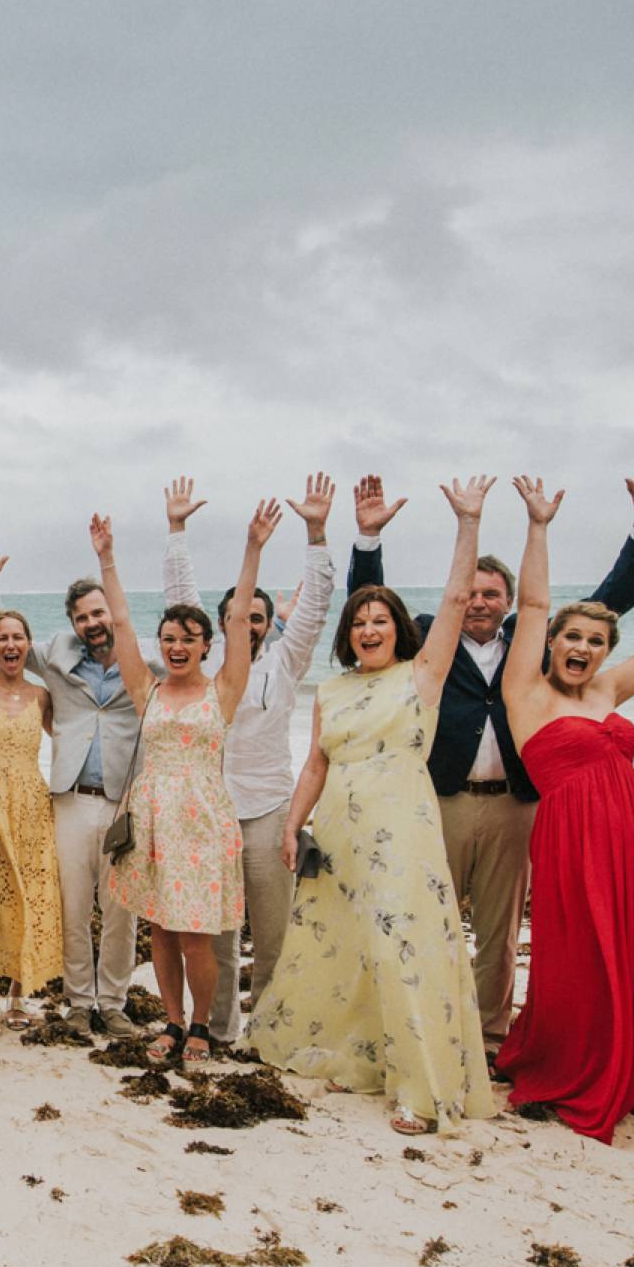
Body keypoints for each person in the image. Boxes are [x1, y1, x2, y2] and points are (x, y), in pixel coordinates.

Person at [346, 462, 634, 1043]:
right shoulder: (428, 635)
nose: (478, 602)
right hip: (440, 798)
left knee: (498, 933)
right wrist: (368, 540)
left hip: (517, 804)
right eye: (469, 592)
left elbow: (606, 607)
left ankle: (490, 1035)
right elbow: (366, 608)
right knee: (427, 918)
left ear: (506, 600)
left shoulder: (539, 646)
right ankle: (424, 1029)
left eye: (490, 594)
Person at [257, 477, 502, 1136]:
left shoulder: (422, 676)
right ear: (348, 634)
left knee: (405, 950)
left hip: (404, 834)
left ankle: (421, 1091)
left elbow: (455, 599)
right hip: (340, 832)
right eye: (359, 622)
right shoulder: (331, 691)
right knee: (353, 948)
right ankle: (366, 1061)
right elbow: (316, 762)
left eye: (381, 620)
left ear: (400, 629)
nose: (369, 629)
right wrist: (292, 824)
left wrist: (468, 523)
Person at [490, 478, 634, 1143]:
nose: (582, 649)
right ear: (552, 643)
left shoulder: (610, 688)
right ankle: (567, 1070)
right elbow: (531, 603)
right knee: (579, 959)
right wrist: (539, 525)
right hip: (570, 841)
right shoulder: (525, 691)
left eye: (595, 641)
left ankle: (620, 1070)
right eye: (571, 638)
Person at [96, 500, 277, 1063]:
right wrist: (106, 559)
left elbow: (242, 613)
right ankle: (171, 1022)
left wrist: (254, 549)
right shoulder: (146, 690)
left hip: (201, 823)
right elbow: (121, 623)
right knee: (163, 933)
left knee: (197, 933)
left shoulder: (222, 690)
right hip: (151, 819)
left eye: (188, 638)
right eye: (169, 637)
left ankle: (202, 1024)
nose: (176, 646)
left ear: (207, 644)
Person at [162, 474, 338, 1048]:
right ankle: (218, 1030)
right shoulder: (205, 672)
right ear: (220, 630)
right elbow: (178, 600)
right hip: (205, 817)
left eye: (260, 616)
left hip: (266, 812)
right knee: (216, 935)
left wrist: (317, 534)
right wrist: (177, 530)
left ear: (268, 623)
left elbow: (315, 605)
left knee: (272, 933)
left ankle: (271, 1032)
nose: (252, 624)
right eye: (241, 618)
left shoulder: (285, 663)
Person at [0, 547, 162, 1038]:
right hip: (68, 802)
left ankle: (113, 1003)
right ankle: (78, 1003)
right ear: (72, 623)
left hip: (122, 806)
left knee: (119, 913)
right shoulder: (59, 660)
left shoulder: (145, 665)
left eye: (98, 612)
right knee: (71, 907)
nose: (91, 622)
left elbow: (200, 663)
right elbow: (6, 635)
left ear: (114, 614)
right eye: (82, 616)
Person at [0, 532, 61, 1035]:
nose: (9, 644)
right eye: (2, 637)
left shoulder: (44, 696)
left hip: (31, 804)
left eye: (18, 638)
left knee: (28, 897)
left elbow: (69, 745)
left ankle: (21, 994)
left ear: (28, 646)